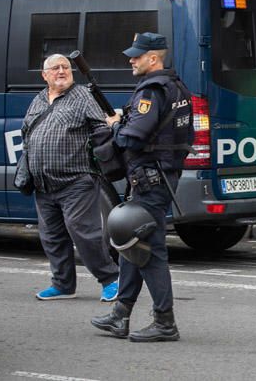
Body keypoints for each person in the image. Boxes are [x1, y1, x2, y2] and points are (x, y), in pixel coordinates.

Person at [91, 32, 194, 342]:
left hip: (150, 180)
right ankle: (120, 314)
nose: (131, 59)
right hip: (160, 176)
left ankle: (165, 322)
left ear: (154, 58)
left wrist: (116, 124)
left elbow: (131, 138)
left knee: (150, 252)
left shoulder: (151, 91)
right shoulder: (177, 86)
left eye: (137, 55)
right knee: (130, 245)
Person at [24, 54, 119, 302]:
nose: (62, 71)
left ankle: (110, 279)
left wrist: (109, 130)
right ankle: (63, 284)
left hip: (76, 181)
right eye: (55, 68)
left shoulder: (82, 97)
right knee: (52, 237)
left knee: (84, 233)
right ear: (44, 75)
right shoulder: (38, 100)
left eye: (66, 67)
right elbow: (27, 132)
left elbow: (101, 128)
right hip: (44, 185)